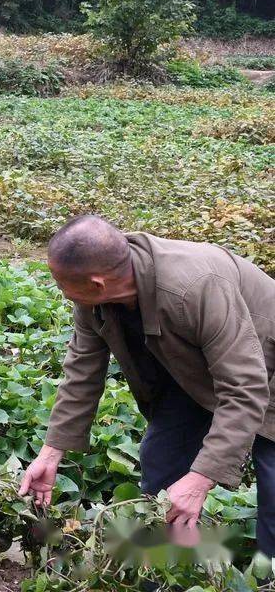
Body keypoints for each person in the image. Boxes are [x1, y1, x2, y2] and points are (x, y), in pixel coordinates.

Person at [19, 215, 275, 554]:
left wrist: (200, 480)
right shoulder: (93, 299)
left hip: (264, 363)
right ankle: (172, 567)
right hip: (194, 368)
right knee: (162, 463)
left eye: (61, 283)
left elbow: (244, 389)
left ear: (97, 283)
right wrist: (52, 453)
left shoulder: (194, 287)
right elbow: (81, 371)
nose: (61, 292)